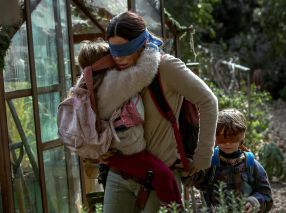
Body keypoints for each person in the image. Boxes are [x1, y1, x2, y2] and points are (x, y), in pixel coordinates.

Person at [101, 11, 218, 213]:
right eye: (114, 51)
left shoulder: (166, 67)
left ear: (141, 43)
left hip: (159, 176)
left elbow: (208, 101)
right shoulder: (111, 69)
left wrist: (202, 158)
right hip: (119, 172)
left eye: (125, 50)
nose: (118, 58)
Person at [76, 40, 182, 207]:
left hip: (110, 152)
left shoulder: (84, 85)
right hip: (128, 151)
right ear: (105, 61)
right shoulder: (110, 83)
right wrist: (150, 48)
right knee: (165, 178)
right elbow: (144, 72)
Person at [183, 108, 273, 212]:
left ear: (241, 138)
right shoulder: (209, 163)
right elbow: (192, 180)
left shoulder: (251, 164)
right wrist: (187, 167)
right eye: (222, 138)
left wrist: (254, 202)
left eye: (232, 137)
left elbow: (266, 195)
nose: (227, 143)